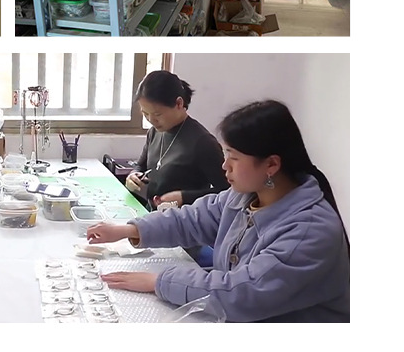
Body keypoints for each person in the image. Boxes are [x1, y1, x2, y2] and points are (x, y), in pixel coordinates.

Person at [86, 100, 350, 323]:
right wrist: (129, 230)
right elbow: (193, 219)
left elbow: (240, 294)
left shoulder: (309, 232)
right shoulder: (245, 195)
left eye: (233, 158)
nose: (225, 166)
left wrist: (158, 282)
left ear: (271, 165)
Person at [126, 71, 228, 211]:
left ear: (179, 103)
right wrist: (133, 175)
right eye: (145, 113)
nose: (151, 120)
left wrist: (184, 197)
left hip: (185, 218)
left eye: (157, 114)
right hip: (153, 214)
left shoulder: (203, 142)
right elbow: (140, 166)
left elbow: (226, 191)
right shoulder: (155, 132)